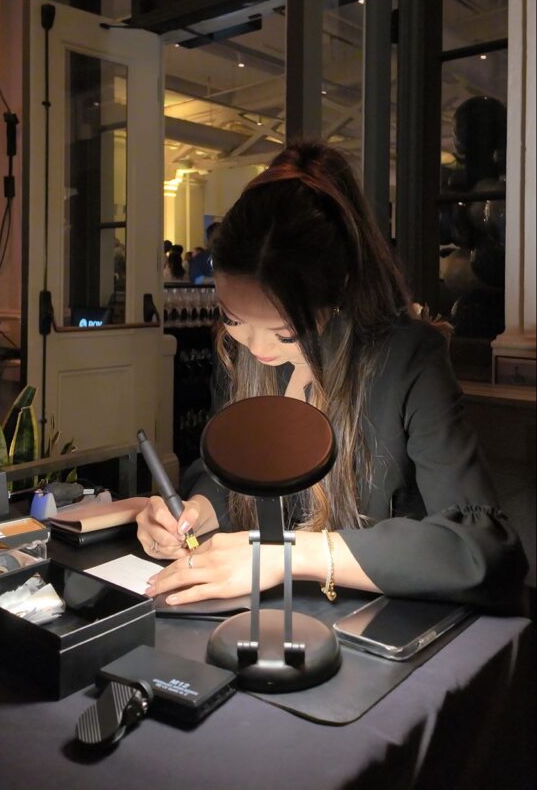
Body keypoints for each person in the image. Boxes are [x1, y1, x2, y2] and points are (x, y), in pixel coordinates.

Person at [137, 141, 527, 611]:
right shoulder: (245, 356)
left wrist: (287, 555)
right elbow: (229, 476)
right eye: (234, 320)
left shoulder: (408, 360)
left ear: (338, 290)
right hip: (275, 619)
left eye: (284, 333)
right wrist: (197, 513)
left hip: (380, 628)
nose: (256, 348)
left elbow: (482, 548)